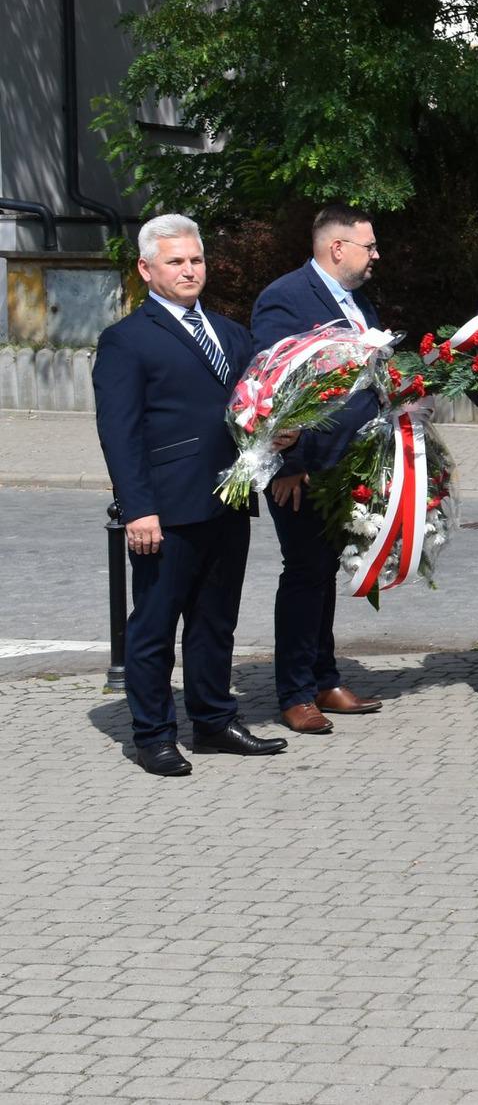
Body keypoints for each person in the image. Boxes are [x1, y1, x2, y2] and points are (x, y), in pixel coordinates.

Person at [94, 214, 288, 775]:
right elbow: (119, 432)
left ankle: (213, 720)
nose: (188, 270)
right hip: (165, 509)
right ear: (146, 268)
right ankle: (153, 735)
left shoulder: (230, 333)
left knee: (214, 620)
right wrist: (138, 508)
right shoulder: (125, 340)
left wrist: (281, 438)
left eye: (195, 259)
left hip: (228, 500)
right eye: (175, 261)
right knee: (154, 627)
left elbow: (256, 406)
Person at [250, 204, 390, 733]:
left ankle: (324, 678)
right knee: (305, 573)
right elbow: (273, 385)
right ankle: (294, 693)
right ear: (338, 248)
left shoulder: (358, 304)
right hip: (302, 471)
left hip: (348, 464)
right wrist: (288, 462)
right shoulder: (286, 298)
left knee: (323, 573)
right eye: (369, 246)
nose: (376, 254)